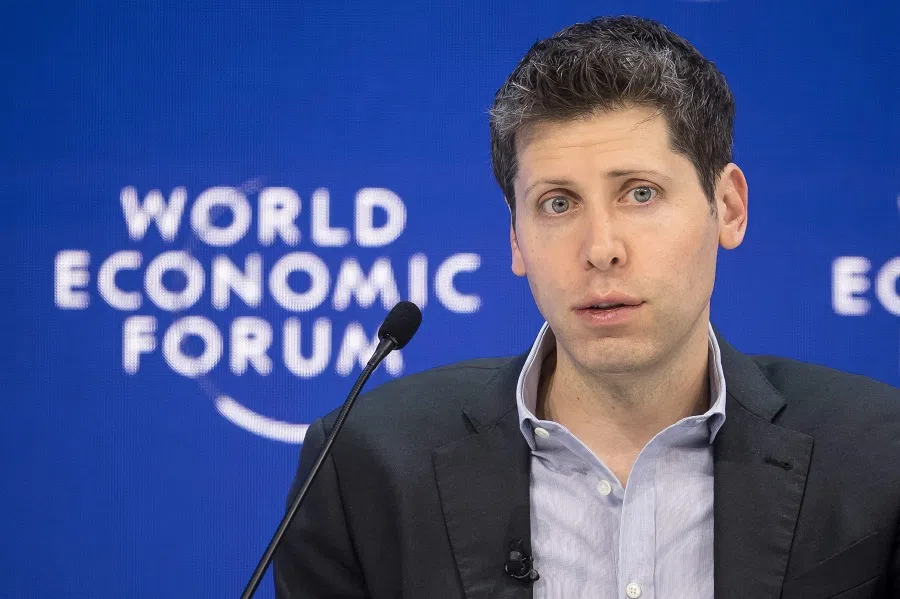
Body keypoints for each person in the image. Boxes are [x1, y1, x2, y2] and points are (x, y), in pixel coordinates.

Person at [273, 15, 900, 599]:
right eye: (557, 203)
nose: (601, 250)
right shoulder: (363, 464)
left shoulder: (876, 454)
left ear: (728, 208)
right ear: (516, 237)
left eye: (641, 193)